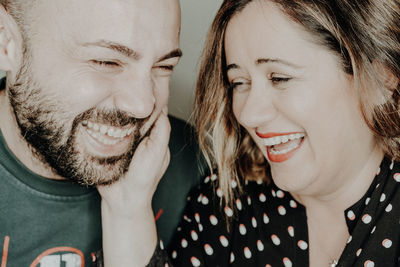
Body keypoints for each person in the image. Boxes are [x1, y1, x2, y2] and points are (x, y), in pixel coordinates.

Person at [104, 0, 400, 266]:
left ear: (380, 81)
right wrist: (128, 209)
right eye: (239, 82)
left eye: (279, 78)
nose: (248, 114)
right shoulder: (226, 203)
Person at [0, 0, 202, 266]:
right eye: (107, 62)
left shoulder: (197, 169)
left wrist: (129, 212)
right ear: (6, 42)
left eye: (164, 67)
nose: (143, 105)